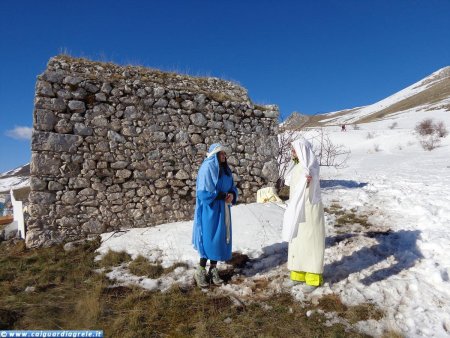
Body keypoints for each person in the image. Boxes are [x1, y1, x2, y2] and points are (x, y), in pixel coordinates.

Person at [282, 138, 325, 292]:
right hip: (298, 209)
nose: (292, 152)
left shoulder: (310, 166)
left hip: (310, 210)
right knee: (297, 241)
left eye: (294, 149)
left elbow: (312, 181)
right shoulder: (298, 166)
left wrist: (309, 180)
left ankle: (313, 279)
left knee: (311, 243)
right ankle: (298, 275)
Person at [192, 143, 238, 287]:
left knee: (218, 239)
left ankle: (213, 269)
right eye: (221, 153)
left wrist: (231, 194)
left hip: (223, 208)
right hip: (210, 210)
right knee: (208, 238)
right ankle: (200, 270)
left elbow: (232, 187)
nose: (224, 156)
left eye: (225, 153)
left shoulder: (225, 170)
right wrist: (220, 195)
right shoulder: (207, 168)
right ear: (215, 155)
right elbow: (203, 193)